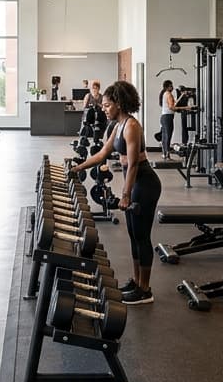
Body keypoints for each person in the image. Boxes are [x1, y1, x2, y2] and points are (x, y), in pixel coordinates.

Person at [70, 81, 161, 305]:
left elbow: (133, 165)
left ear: (119, 104)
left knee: (142, 236)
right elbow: (101, 154)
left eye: (107, 105)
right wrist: (78, 167)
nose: (104, 109)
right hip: (135, 183)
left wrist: (126, 194)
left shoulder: (131, 126)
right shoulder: (116, 126)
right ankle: (136, 282)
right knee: (133, 236)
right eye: (103, 106)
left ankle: (145, 290)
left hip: (145, 184)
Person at [158, 80, 177, 161]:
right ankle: (167, 154)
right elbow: (171, 107)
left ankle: (165, 154)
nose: (172, 87)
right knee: (168, 136)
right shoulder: (168, 94)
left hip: (164, 117)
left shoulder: (165, 94)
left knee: (165, 136)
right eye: (171, 86)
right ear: (167, 87)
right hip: (167, 117)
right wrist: (186, 108)